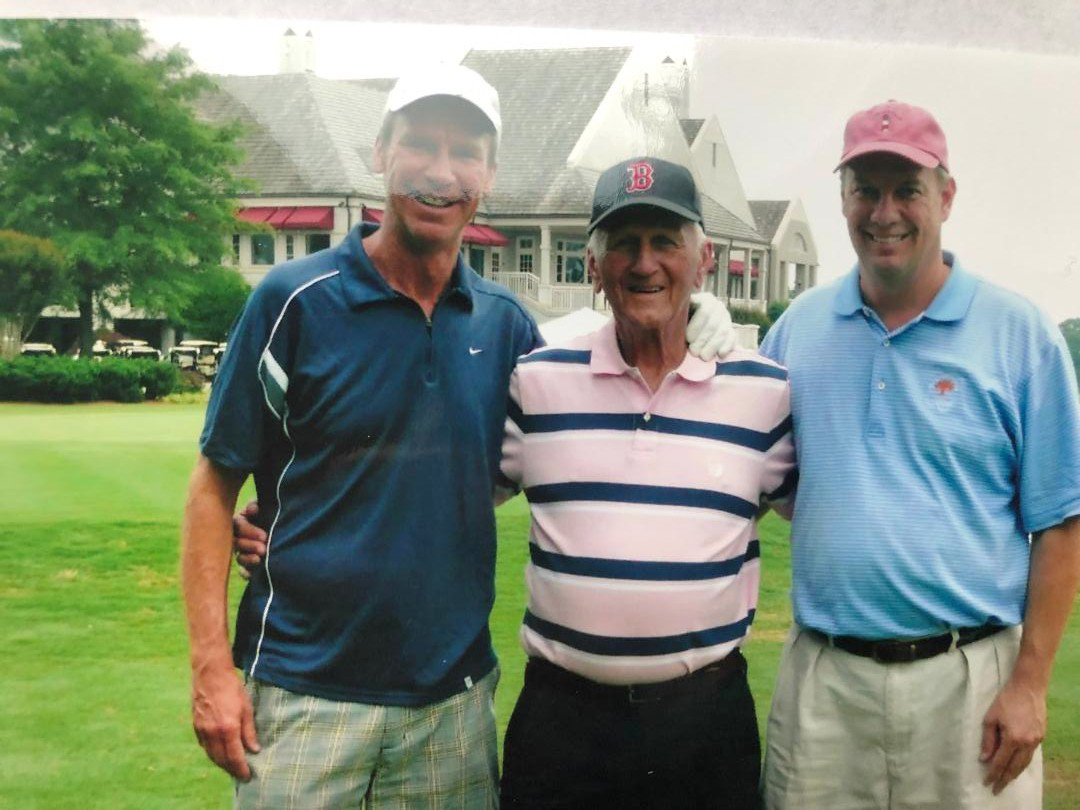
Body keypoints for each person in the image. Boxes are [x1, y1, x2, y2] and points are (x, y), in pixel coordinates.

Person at [186, 65, 736, 807]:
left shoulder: (506, 326)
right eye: (421, 144)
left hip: (453, 705)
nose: (441, 172)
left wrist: (702, 324)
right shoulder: (295, 301)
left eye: (465, 151)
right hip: (304, 691)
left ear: (489, 173)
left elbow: (592, 416)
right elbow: (215, 485)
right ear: (380, 152)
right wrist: (212, 670)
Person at [759, 100, 1080, 809]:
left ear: (947, 195)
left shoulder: (1020, 335)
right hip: (826, 684)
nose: (884, 212)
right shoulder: (796, 331)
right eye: (865, 189)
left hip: (970, 685)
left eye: (906, 189)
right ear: (842, 198)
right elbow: (767, 483)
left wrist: (1029, 684)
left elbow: (1060, 522)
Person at [496, 157, 796, 809]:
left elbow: (827, 513)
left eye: (665, 241)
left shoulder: (764, 393)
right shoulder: (538, 382)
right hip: (561, 724)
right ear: (593, 265)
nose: (644, 262)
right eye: (624, 244)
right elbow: (438, 495)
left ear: (703, 257)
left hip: (703, 724)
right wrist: (290, 517)